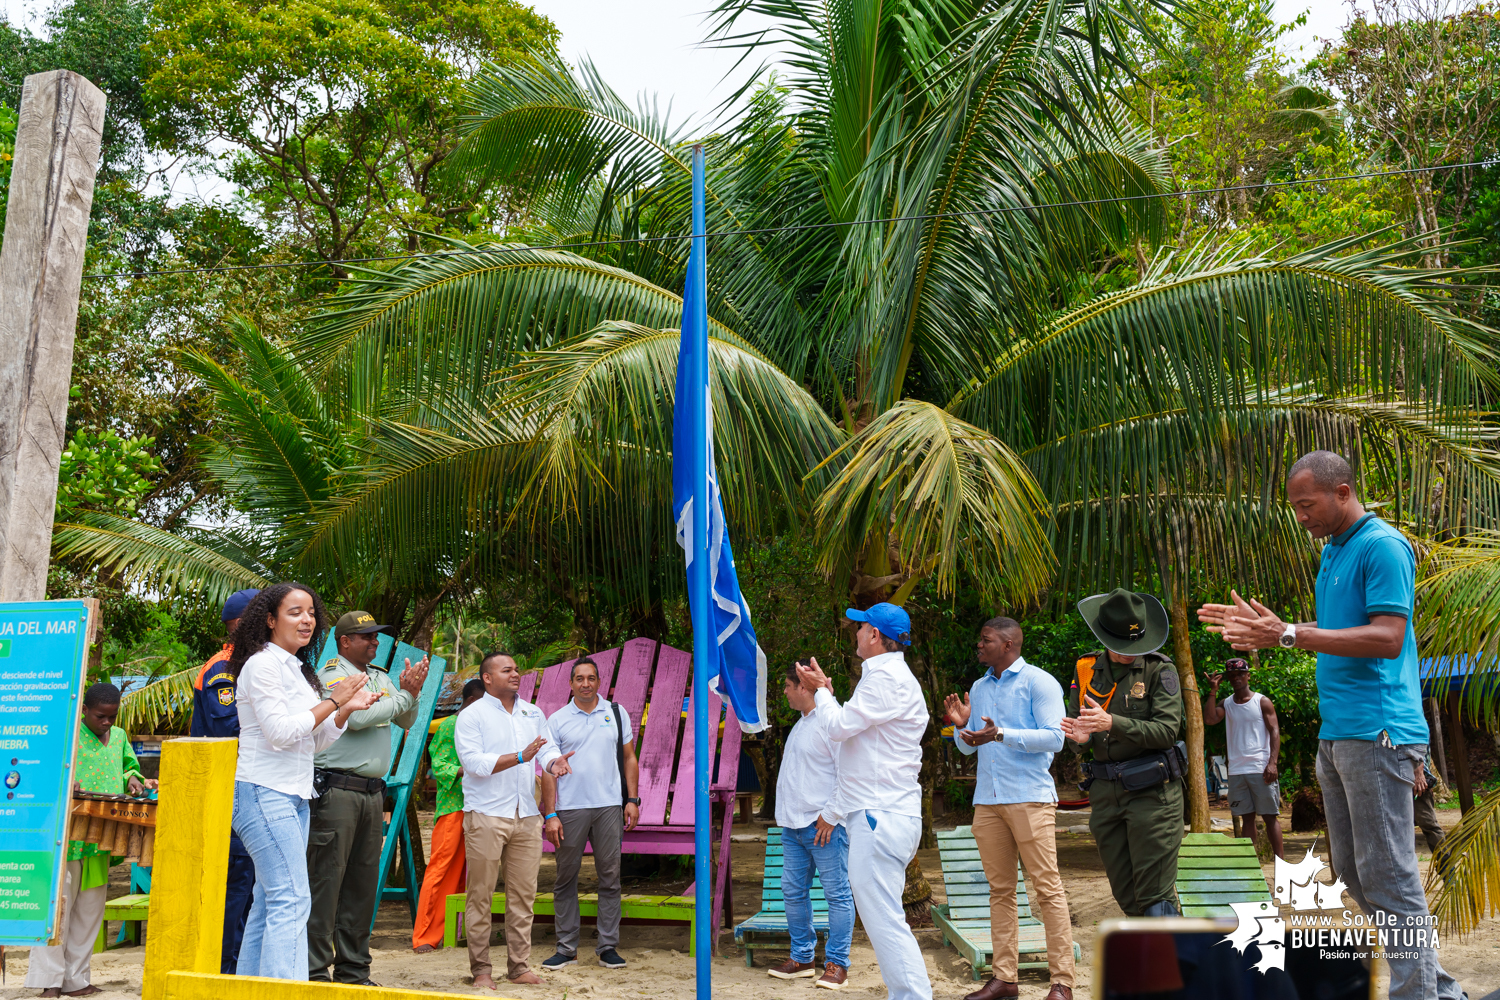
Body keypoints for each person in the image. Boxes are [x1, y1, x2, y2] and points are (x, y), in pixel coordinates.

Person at [1198, 450, 1462, 1000]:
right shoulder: (1332, 552)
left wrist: (1290, 634)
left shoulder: (1382, 546)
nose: (1300, 517)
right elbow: (1339, 628)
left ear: (1341, 492)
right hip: (1338, 735)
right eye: (1294, 507)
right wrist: (1276, 629)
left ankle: (1419, 995)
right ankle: (1436, 986)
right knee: (1356, 875)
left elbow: (1388, 637)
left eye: (1306, 504)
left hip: (1380, 733)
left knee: (1390, 877)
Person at [229, 583, 378, 981]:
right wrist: (333, 700)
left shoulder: (298, 669)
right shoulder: (262, 664)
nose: (307, 619)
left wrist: (343, 710)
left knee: (269, 900)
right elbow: (279, 732)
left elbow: (314, 740)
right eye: (295, 612)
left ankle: (252, 989)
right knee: (292, 899)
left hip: (294, 795)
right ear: (270, 619)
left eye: (311, 612)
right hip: (263, 791)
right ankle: (285, 989)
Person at [796, 603, 932, 1000]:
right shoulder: (888, 678)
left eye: (860, 627)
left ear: (874, 635)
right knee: (884, 918)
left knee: (885, 920)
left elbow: (838, 728)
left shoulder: (885, 679)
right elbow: (855, 740)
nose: (854, 632)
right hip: (885, 812)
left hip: (879, 815)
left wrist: (822, 692)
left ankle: (913, 997)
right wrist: (828, 695)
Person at [942, 618, 1073, 1000]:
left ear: (1010, 643)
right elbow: (972, 746)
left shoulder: (1039, 681)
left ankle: (1062, 983)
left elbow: (1055, 738)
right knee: (1000, 891)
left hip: (1030, 797)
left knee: (1047, 889)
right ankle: (1005, 979)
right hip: (988, 801)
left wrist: (1001, 733)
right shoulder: (981, 686)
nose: (979, 645)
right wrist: (961, 727)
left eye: (986, 640)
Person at [308, 611, 429, 984]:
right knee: (326, 883)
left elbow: (406, 720)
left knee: (362, 885)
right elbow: (357, 717)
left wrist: (412, 693)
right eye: (367, 637)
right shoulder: (332, 673)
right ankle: (314, 971)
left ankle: (353, 970)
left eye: (377, 637)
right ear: (345, 641)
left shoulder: (378, 676)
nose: (375, 642)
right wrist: (403, 697)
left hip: (372, 793)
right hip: (337, 790)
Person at [1059, 588, 1185, 918]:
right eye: (1123, 646)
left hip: (1152, 793)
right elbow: (1076, 735)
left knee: (1155, 895)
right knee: (1127, 894)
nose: (1132, 652)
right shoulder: (1086, 670)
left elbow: (1167, 732)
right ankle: (1159, 959)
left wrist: (1111, 722)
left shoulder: (1160, 670)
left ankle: (1177, 966)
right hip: (1105, 794)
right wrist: (1081, 737)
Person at [26, 683, 152, 998]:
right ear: (84, 710)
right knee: (60, 909)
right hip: (67, 836)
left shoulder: (121, 737)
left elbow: (126, 769)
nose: (107, 722)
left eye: (112, 716)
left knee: (90, 910)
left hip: (100, 839)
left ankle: (76, 980)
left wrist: (134, 779)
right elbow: (43, 771)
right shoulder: (67, 734)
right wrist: (66, 781)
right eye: (100, 716)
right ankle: (49, 981)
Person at [455, 651, 553, 989]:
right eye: (506, 669)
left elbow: (548, 749)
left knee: (523, 895)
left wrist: (555, 763)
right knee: (480, 894)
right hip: (486, 814)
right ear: (487, 677)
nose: (515, 674)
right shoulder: (472, 716)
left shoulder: (532, 712)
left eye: (516, 669)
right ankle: (481, 969)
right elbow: (474, 764)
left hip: (526, 814)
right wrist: (520, 757)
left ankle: (519, 966)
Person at [537, 657, 639, 972]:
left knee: (610, 877)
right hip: (569, 808)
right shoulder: (556, 719)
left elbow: (629, 757)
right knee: (565, 878)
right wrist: (550, 812)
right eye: (579, 678)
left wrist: (632, 799)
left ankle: (608, 947)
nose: (585, 684)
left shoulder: (616, 713)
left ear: (599, 681)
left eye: (591, 678)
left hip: (609, 806)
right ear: (571, 683)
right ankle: (566, 948)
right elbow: (549, 768)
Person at [766, 663, 852, 990]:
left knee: (837, 895)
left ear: (803, 686)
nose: (785, 692)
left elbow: (849, 772)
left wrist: (832, 814)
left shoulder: (832, 722)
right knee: (792, 892)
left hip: (824, 827)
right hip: (794, 828)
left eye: (788, 686)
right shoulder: (801, 725)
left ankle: (837, 964)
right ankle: (803, 957)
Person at [188, 587, 260, 974]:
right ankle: (225, 970)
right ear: (242, 624)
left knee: (249, 885)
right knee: (236, 881)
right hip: (227, 791)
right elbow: (228, 728)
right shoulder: (223, 668)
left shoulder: (254, 665)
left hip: (249, 788)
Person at [413, 678, 485, 953]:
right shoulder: (450, 725)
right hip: (454, 807)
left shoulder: (482, 725)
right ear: (471, 702)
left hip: (480, 808)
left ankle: (453, 933)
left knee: (470, 874)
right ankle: (424, 936)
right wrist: (476, 768)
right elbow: (440, 766)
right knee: (441, 869)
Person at [1201, 658, 1283, 859]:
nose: (1236, 679)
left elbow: (1274, 731)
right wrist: (1213, 690)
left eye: (1240, 674)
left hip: (1261, 768)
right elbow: (1210, 719)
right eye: (1232, 676)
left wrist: (1272, 762)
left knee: (1269, 817)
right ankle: (1249, 865)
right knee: (1246, 818)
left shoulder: (1261, 701)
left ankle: (1282, 863)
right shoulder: (1226, 703)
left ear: (1248, 675)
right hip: (1237, 771)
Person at [1414, 754, 1446, 854]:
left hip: (1417, 783)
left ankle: (1446, 865)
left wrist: (1420, 772)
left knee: (1429, 824)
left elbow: (1420, 747)